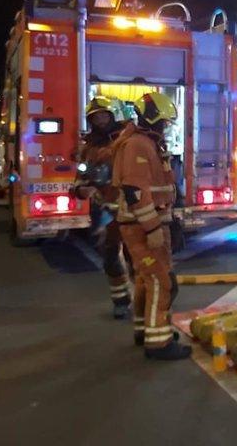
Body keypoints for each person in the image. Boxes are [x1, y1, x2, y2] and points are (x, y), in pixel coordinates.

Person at [112, 92, 191, 361]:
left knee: (148, 280)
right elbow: (135, 191)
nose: (166, 127)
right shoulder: (138, 145)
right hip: (142, 225)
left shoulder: (146, 143)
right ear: (153, 119)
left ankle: (146, 330)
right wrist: (152, 228)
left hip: (151, 222)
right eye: (164, 122)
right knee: (161, 282)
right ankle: (158, 343)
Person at [72, 96, 130, 319]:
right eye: (96, 117)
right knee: (110, 258)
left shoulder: (126, 141)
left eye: (105, 115)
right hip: (105, 211)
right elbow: (80, 178)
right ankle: (120, 300)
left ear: (113, 115)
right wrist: (81, 190)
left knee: (138, 258)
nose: (101, 119)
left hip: (130, 208)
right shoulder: (89, 148)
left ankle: (144, 299)